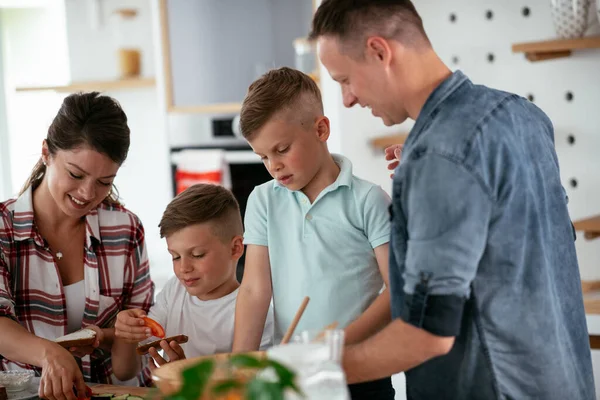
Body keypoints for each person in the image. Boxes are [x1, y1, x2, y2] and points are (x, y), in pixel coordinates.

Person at [310, 0, 595, 399]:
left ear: (379, 51)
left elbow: (427, 337)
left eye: (344, 79)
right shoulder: (521, 115)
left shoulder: (439, 157)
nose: (347, 100)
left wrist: (302, 369)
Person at [231, 67, 395, 399]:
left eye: (281, 149)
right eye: (263, 156)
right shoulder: (263, 200)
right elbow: (254, 291)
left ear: (321, 129)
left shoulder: (368, 201)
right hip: (292, 375)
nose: (273, 165)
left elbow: (398, 291)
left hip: (361, 373)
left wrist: (335, 346)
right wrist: (237, 370)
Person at [0, 92, 155, 400]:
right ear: (46, 152)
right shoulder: (4, 227)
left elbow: (131, 361)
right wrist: (49, 354)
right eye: (76, 174)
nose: (87, 193)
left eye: (104, 181)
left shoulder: (126, 230)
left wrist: (116, 335)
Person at [113, 183, 273, 373]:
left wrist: (186, 375)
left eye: (197, 255)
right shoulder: (174, 291)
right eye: (175, 256)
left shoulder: (260, 313)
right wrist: (126, 330)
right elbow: (124, 371)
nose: (184, 268)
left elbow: (254, 386)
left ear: (235, 248)